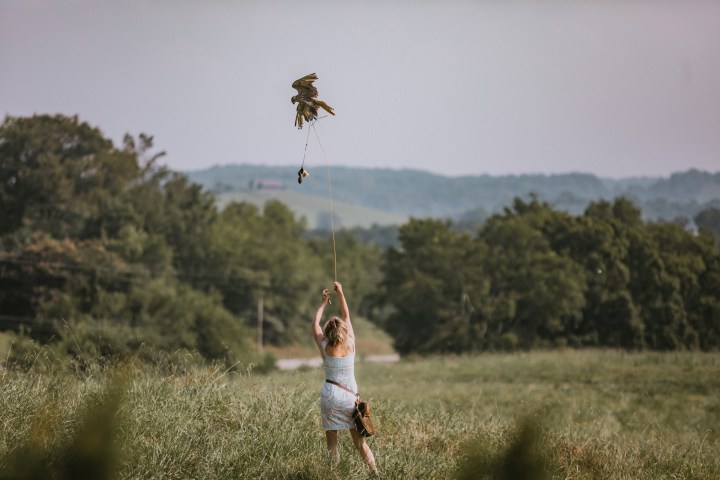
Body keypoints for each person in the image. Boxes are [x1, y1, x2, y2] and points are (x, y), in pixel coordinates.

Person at [312, 282, 377, 474]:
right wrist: (340, 294)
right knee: (360, 443)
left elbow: (315, 324)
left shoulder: (324, 346)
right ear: (343, 331)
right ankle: (376, 474)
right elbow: (347, 316)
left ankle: (334, 475)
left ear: (328, 333)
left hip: (330, 397)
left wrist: (323, 303)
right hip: (350, 399)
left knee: (332, 445)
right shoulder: (351, 344)